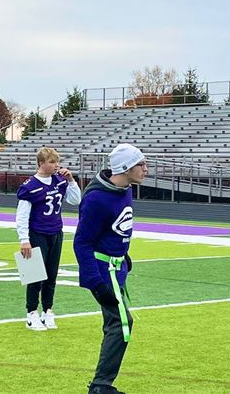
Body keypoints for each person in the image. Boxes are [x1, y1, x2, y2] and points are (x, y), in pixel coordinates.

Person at [73, 144, 147, 394]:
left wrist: (124, 254)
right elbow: (82, 242)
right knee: (122, 323)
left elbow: (116, 228)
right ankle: (101, 385)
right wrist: (95, 281)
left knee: (116, 323)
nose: (145, 169)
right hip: (104, 271)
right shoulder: (96, 199)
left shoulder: (125, 190)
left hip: (117, 268)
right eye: (140, 164)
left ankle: (101, 384)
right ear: (126, 168)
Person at [16, 147, 81, 331]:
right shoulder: (30, 186)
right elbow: (21, 216)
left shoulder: (60, 181)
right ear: (41, 163)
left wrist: (71, 181)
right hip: (37, 233)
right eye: (52, 162)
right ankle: (31, 314)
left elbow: (75, 200)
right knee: (34, 275)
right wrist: (24, 240)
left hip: (56, 232)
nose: (56, 165)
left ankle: (47, 311)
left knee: (51, 276)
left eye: (57, 161)